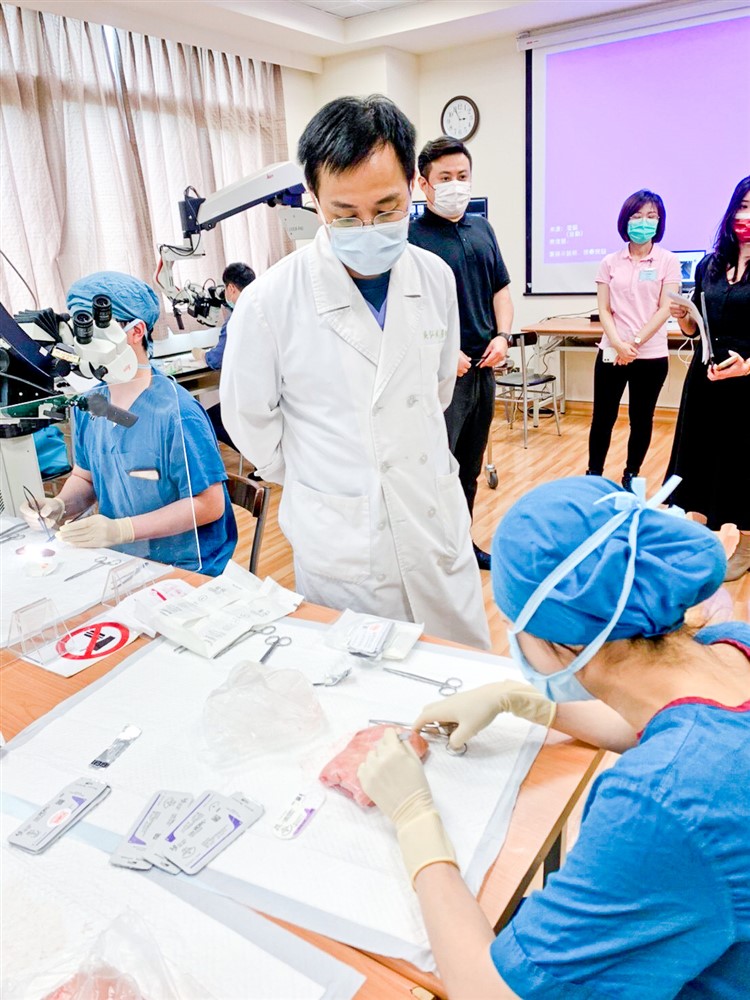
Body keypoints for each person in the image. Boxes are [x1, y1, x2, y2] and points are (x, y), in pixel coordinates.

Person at [359, 475, 750, 999]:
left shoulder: (661, 803)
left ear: (559, 644)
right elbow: (660, 726)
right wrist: (523, 701)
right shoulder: (730, 647)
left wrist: (415, 823)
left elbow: (490, 992)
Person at [221, 95, 489, 649]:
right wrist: (323, 474)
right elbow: (249, 421)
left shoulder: (434, 277)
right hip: (343, 537)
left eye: (388, 209)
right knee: (362, 682)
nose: (368, 227)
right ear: (314, 198)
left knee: (462, 671)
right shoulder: (271, 301)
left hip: (431, 514)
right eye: (345, 214)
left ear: (413, 186)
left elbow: (438, 388)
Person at [20, 272, 237, 575]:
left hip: (186, 565)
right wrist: (60, 506)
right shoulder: (92, 404)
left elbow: (209, 504)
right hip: (122, 559)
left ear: (136, 331)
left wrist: (123, 529)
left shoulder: (177, 414)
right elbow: (86, 478)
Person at [409, 137, 512, 570]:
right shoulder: (411, 239)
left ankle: (461, 545)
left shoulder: (483, 229)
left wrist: (503, 336)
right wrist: (442, 354)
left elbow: (501, 289)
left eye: (463, 176)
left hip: (483, 370)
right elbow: (406, 311)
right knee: (438, 470)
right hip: (442, 377)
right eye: (445, 177)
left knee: (469, 467)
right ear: (424, 184)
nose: (456, 184)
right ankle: (431, 554)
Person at [667, 176, 750, 581]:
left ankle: (746, 546)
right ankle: (696, 540)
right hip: (705, 378)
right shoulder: (710, 265)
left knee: (742, 463)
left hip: (747, 382)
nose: (747, 215)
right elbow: (694, 329)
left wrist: (748, 364)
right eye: (743, 206)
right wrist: (684, 317)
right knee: (697, 458)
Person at [588, 189, 681, 490]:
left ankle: (630, 474)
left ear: (660, 221)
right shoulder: (610, 262)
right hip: (611, 351)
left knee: (641, 419)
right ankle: (593, 474)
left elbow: (665, 308)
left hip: (650, 355)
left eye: (651, 216)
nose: (644, 221)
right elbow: (604, 308)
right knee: (603, 417)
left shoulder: (668, 261)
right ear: (625, 220)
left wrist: (635, 343)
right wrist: (618, 343)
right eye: (637, 215)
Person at [192, 262, 255, 451]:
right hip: (269, 394)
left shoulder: (235, 320)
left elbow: (216, 360)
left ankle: (254, 454)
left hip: (248, 399)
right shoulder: (261, 309)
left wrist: (202, 355)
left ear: (231, 288)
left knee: (206, 418)